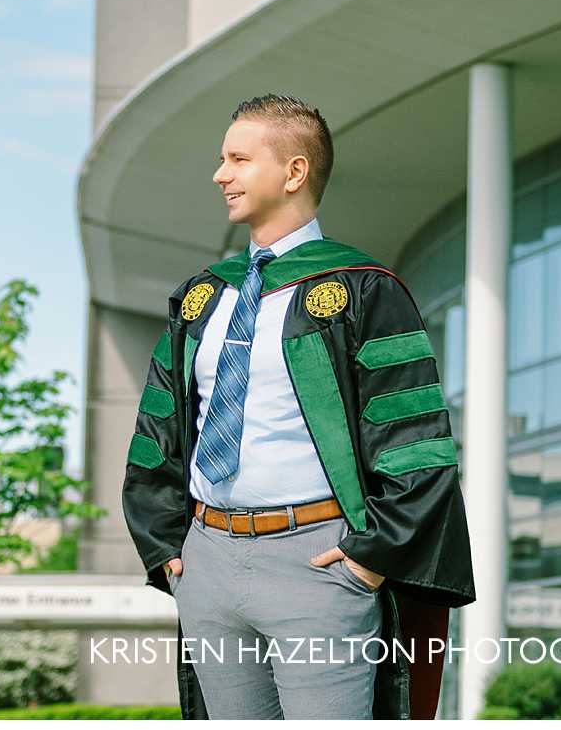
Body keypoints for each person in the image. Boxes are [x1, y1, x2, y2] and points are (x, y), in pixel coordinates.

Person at [120, 94, 475, 719]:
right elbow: (157, 430)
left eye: (238, 158)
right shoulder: (202, 297)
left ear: (294, 172)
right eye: (221, 159)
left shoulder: (364, 291)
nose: (219, 174)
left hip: (318, 560)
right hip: (208, 560)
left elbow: (418, 441)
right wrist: (169, 549)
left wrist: (368, 561)